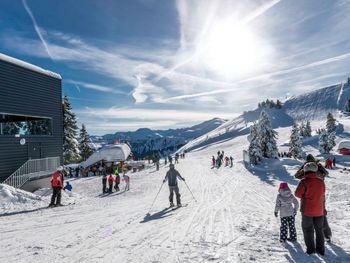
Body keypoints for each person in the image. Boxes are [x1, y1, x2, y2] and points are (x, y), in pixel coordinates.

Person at [295, 162, 326, 256]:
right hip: (319, 210)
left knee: (308, 229)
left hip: (307, 210)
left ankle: (311, 250)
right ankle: (321, 250)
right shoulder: (321, 181)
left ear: (305, 170)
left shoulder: (304, 181)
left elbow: (297, 194)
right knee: (319, 230)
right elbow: (323, 192)